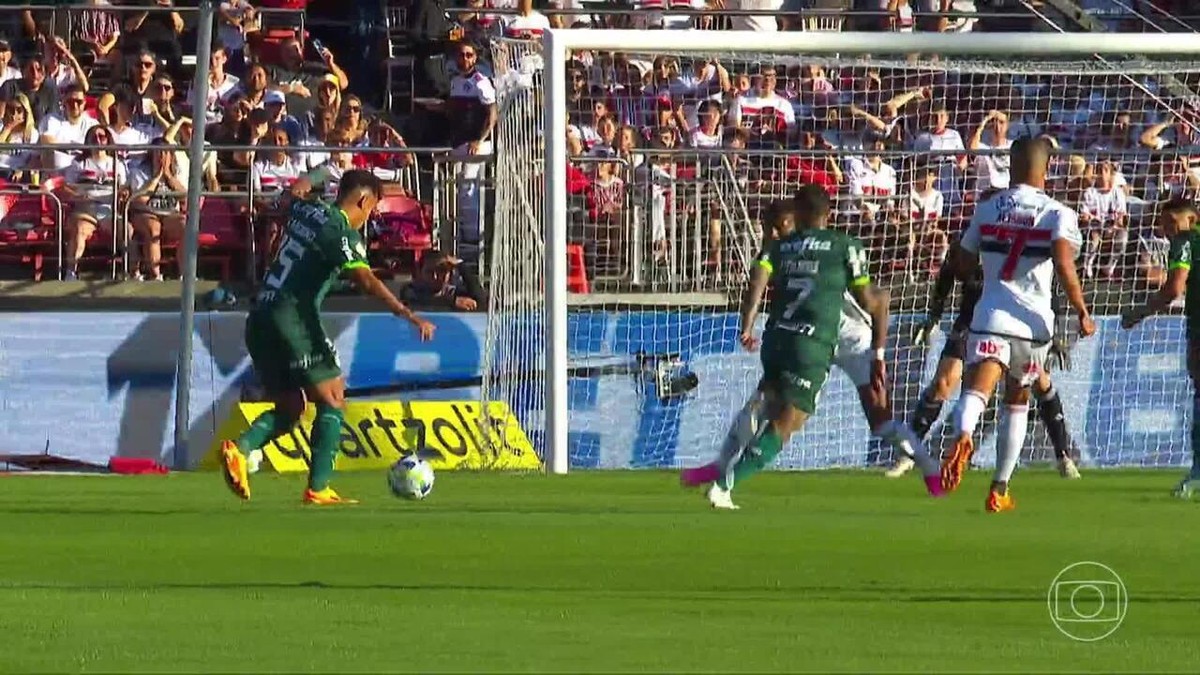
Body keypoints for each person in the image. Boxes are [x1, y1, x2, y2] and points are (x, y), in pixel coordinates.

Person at [682, 207, 945, 499]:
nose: (768, 234)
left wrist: (878, 353)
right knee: (763, 404)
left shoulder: (825, 251)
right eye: (765, 228)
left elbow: (877, 298)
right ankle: (722, 469)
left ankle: (926, 465)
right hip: (808, 341)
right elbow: (756, 284)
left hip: (851, 340)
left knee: (880, 422)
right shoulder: (781, 250)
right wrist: (748, 325)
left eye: (772, 227)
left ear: (790, 222)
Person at [219, 170, 436, 506]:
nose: (370, 218)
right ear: (363, 200)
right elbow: (364, 280)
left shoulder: (307, 209)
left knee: (291, 406)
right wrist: (407, 314)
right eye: (372, 209)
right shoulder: (341, 232)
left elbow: (296, 190)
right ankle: (318, 488)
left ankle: (240, 449)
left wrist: (323, 168)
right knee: (333, 397)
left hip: (260, 316)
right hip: (292, 320)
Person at [941, 136, 1095, 513]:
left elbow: (960, 262)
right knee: (1017, 400)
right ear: (1046, 168)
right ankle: (999, 488)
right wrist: (1081, 309)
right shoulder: (1058, 212)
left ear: (1012, 165)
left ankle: (963, 432)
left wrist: (981, 272)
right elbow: (1063, 262)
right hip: (1033, 324)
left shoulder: (988, 207)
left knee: (977, 390)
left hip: (991, 314)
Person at [900, 243, 1083, 480]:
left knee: (1038, 384)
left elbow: (1049, 285)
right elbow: (948, 271)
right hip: (971, 321)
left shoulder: (1025, 239)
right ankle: (907, 454)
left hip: (1014, 322)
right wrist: (934, 315)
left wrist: (1054, 333)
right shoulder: (974, 236)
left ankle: (1063, 457)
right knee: (943, 383)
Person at [1120, 198, 1200, 498]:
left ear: (1190, 220)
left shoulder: (1186, 240)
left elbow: (1174, 289)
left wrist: (1138, 313)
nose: (1165, 231)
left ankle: (1198, 471)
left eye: (1170, 224)